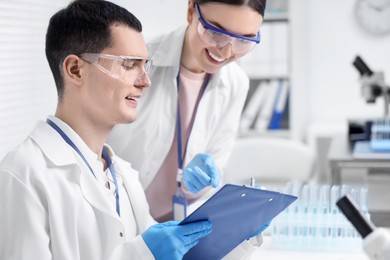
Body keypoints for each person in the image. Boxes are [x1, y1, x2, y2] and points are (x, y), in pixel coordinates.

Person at [0, 1, 213, 259]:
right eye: (128, 64)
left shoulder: (124, 174)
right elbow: (142, 253)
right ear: (75, 69)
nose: (145, 81)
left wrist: (239, 231)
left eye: (145, 65)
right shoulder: (24, 173)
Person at [107, 0, 267, 222]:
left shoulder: (236, 82)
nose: (226, 51)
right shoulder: (137, 61)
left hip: (177, 224)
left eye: (243, 40)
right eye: (215, 32)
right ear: (191, 9)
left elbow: (216, 160)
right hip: (118, 219)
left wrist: (200, 182)